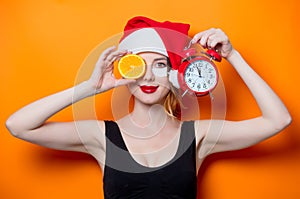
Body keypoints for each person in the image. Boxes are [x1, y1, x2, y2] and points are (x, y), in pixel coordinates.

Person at [6, 16, 291, 198]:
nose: (149, 76)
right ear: (125, 70)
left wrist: (233, 55)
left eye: (161, 64)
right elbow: (17, 125)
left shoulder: (199, 136)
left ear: (176, 74)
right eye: (138, 65)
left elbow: (278, 120)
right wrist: (89, 87)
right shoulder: (100, 137)